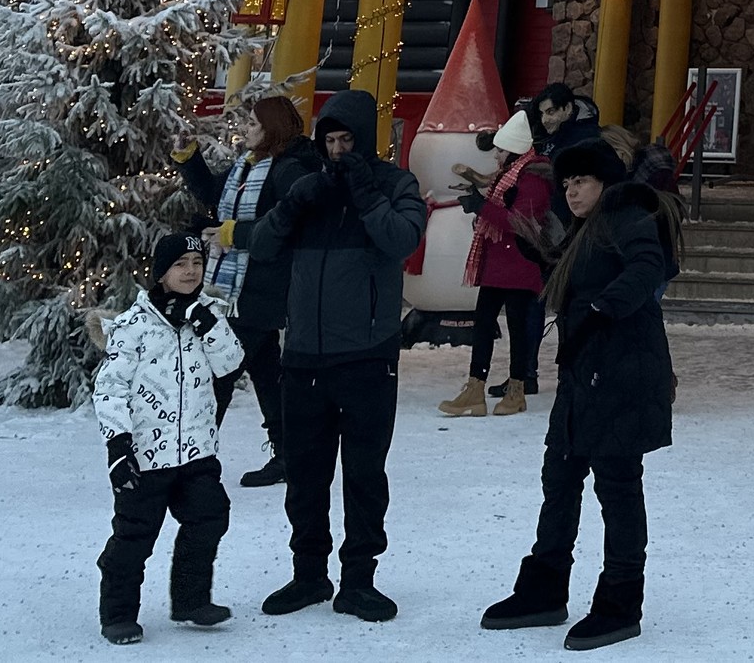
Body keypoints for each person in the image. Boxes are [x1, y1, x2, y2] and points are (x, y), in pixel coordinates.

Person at [481, 133, 680, 649]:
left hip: (622, 376)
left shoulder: (629, 216)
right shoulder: (585, 231)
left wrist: (600, 310)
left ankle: (620, 600)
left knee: (617, 486)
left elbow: (647, 268)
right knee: (560, 479)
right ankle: (545, 587)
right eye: (566, 182)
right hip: (582, 377)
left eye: (582, 180)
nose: (570, 191)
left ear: (606, 182)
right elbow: (579, 280)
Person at [246, 89, 427, 623]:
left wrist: (367, 195)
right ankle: (308, 575)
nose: (339, 150)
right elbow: (260, 246)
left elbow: (402, 241)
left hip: (368, 357)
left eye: (348, 140)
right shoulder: (311, 188)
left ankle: (359, 580)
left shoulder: (396, 185)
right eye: (330, 141)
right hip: (303, 355)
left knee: (364, 474)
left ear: (365, 140)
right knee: (305, 473)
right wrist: (295, 201)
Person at [92, 232, 244, 644]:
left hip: (196, 450)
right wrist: (119, 447)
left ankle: (192, 599)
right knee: (134, 536)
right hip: (145, 455)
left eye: (196, 263)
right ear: (161, 273)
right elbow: (109, 389)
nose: (190, 271)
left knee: (210, 516)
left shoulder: (209, 313)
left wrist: (204, 322)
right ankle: (118, 614)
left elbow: (231, 362)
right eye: (180, 264)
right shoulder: (133, 326)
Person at [177, 92, 319, 485]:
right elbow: (213, 194)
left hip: (260, 290)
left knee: (217, 373)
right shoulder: (249, 165)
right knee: (266, 371)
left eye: (252, 124)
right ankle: (288, 456)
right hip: (241, 291)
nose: (245, 130)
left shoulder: (289, 170)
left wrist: (231, 234)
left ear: (271, 127)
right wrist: (189, 156)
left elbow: (287, 227)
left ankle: (195, 461)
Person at [442, 104, 554, 419]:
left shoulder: (533, 176)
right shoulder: (510, 174)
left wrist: (480, 206)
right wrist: (477, 203)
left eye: (500, 151)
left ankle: (516, 389)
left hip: (521, 262)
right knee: (483, 324)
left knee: (518, 328)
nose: (496, 157)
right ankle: (475, 386)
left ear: (513, 150)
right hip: (498, 261)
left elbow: (521, 221)